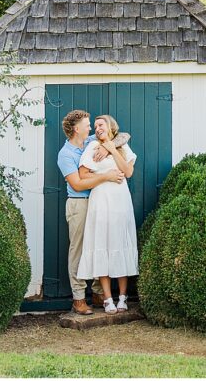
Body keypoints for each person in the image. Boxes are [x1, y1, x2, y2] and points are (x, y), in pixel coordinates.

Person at [57, 109, 129, 316]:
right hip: (79, 204)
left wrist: (109, 148)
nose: (91, 128)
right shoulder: (66, 154)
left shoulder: (89, 141)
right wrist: (106, 176)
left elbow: (123, 136)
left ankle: (98, 293)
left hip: (100, 202)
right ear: (76, 129)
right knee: (78, 251)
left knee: (100, 244)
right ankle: (79, 298)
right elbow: (78, 185)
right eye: (88, 125)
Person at [76, 114, 139, 314]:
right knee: (102, 244)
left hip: (121, 201)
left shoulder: (122, 146)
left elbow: (128, 172)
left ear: (110, 126)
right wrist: (105, 177)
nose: (97, 128)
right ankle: (107, 298)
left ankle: (122, 297)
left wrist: (112, 149)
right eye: (95, 126)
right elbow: (83, 174)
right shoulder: (92, 147)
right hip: (101, 201)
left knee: (120, 243)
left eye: (101, 124)